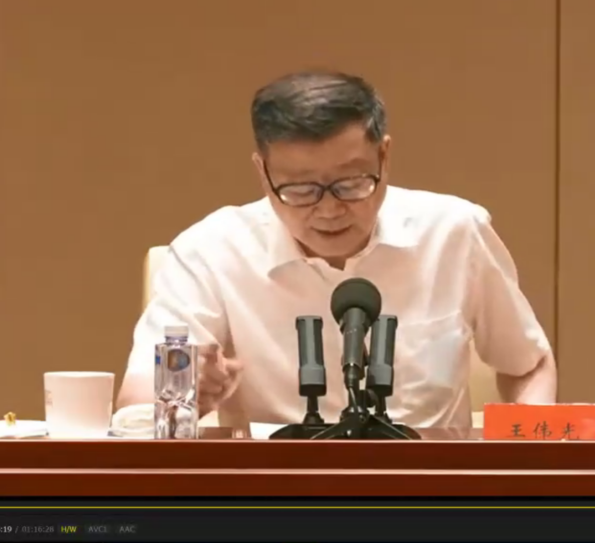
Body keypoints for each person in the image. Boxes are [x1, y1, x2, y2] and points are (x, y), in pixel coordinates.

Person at [116, 71, 557, 430]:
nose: (329, 210)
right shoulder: (211, 250)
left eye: (351, 183)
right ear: (263, 172)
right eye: (300, 189)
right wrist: (185, 393)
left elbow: (527, 366)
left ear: (385, 157)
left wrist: (530, 459)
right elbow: (134, 404)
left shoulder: (454, 232)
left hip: (427, 490)